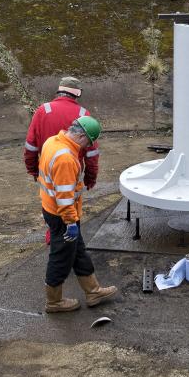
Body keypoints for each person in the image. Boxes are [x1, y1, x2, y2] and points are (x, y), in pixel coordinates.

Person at [38, 117, 118, 313]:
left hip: (53, 211)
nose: (87, 147)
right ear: (82, 136)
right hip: (62, 216)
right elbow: (64, 198)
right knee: (61, 258)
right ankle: (54, 302)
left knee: (78, 252)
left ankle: (93, 291)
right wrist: (71, 222)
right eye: (88, 143)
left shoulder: (52, 141)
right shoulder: (65, 158)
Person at [25, 77, 100, 245]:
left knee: (51, 204)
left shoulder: (43, 110)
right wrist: (90, 177)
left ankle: (56, 235)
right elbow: (91, 153)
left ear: (59, 90)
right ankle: (65, 242)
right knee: (67, 205)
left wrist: (33, 170)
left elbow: (30, 146)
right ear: (77, 94)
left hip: (47, 170)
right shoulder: (83, 115)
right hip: (70, 173)